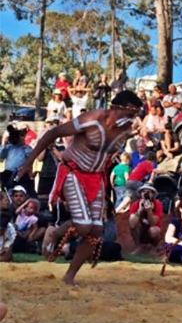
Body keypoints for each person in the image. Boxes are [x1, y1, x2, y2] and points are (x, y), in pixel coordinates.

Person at [17, 90, 143, 286]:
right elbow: (53, 133)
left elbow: (107, 157)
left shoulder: (126, 131)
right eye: (129, 114)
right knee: (84, 226)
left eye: (134, 115)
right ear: (116, 108)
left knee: (95, 232)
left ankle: (69, 276)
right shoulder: (92, 119)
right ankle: (56, 232)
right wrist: (28, 162)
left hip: (96, 178)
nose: (132, 119)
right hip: (72, 172)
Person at [129, 183, 163, 253]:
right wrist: (139, 210)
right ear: (140, 194)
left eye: (149, 192)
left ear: (153, 194)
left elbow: (153, 224)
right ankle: (138, 246)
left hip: (152, 230)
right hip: (141, 230)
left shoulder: (158, 204)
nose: (146, 194)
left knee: (154, 230)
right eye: (143, 191)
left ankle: (155, 247)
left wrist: (149, 211)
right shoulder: (135, 204)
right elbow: (132, 224)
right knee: (134, 226)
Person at [0, 125, 34, 194]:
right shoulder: (8, 147)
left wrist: (23, 144)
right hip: (8, 173)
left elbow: (31, 156)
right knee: (8, 192)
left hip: (21, 173)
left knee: (21, 191)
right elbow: (1, 156)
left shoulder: (26, 148)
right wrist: (4, 142)